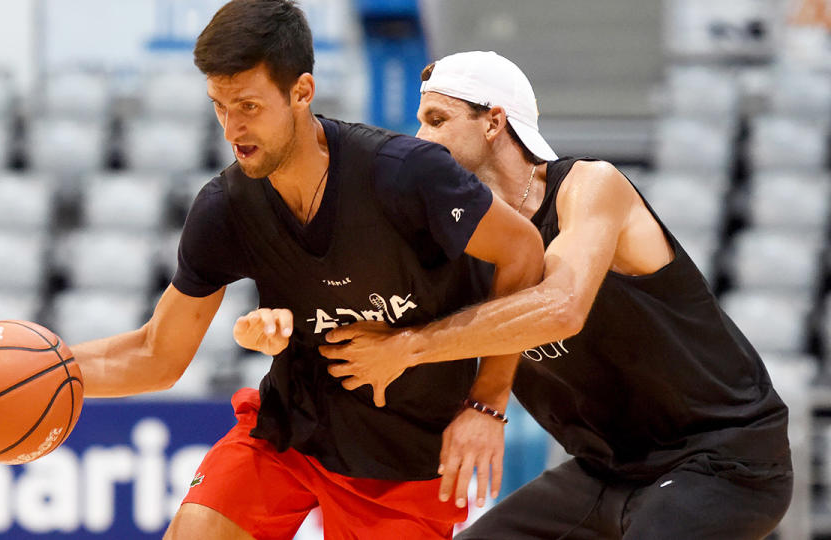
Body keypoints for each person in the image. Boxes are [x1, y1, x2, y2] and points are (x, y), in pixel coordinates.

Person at [0, 7, 545, 540]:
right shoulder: (226, 207)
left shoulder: (405, 175)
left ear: (302, 92)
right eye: (219, 106)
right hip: (289, 433)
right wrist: (23, 370)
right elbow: (158, 353)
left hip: (409, 458)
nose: (231, 128)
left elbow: (524, 256)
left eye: (248, 105)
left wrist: (485, 405)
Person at [317, 51, 793, 539]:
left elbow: (560, 310)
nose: (421, 138)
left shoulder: (589, 187)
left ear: (493, 122)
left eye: (437, 120)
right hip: (608, 470)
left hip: (721, 459)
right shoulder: (462, 241)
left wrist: (409, 348)